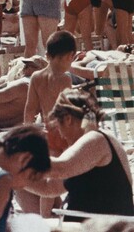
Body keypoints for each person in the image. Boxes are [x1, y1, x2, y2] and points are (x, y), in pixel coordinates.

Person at [25, 89, 134, 220]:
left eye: (59, 126)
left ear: (68, 119)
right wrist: (12, 176)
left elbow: (60, 168)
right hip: (94, 225)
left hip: (104, 227)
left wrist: (15, 158)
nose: (62, 135)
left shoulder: (96, 140)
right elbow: (49, 188)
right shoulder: (92, 144)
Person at [24, 31, 76, 156]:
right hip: (62, 134)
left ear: (47, 55)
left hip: (47, 132)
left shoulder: (36, 77)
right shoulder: (65, 79)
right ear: (70, 56)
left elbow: (30, 109)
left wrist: (27, 135)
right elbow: (67, 111)